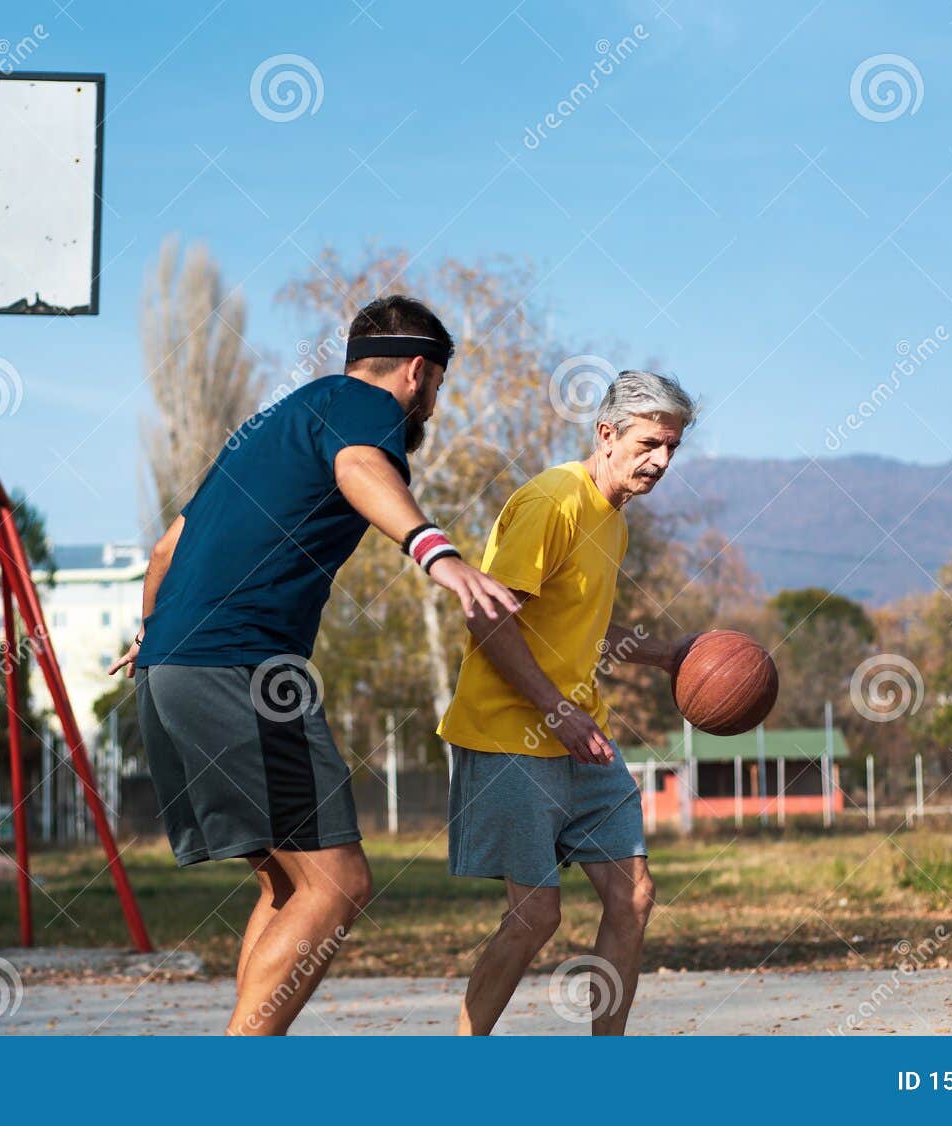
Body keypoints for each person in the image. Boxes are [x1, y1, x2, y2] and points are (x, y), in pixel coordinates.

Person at [108, 295, 518, 1035]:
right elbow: (360, 465)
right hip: (243, 667)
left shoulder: (274, 422)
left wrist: (154, 637)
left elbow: (168, 548)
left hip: (170, 667)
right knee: (339, 881)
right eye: (438, 387)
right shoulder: (366, 411)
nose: (431, 402)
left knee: (286, 881)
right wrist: (436, 551)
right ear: (418, 373)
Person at [437, 369, 698, 1035]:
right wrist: (556, 709)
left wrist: (663, 653)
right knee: (535, 917)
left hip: (583, 736)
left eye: (672, 447)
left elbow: (576, 625)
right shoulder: (554, 502)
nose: (661, 461)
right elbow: (488, 618)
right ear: (606, 434)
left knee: (632, 896)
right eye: (648, 444)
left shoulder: (613, 521)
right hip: (510, 737)